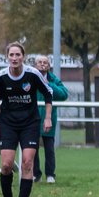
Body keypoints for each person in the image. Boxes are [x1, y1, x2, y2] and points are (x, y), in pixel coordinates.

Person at [0, 42, 54, 197]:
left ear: (23, 57)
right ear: (7, 57)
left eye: (18, 55)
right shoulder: (1, 77)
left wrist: (47, 117)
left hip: (30, 124)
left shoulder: (33, 74)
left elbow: (48, 94)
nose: (15, 58)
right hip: (8, 124)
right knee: (6, 165)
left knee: (27, 163)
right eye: (12, 55)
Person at [31, 55, 68, 184]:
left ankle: (50, 175)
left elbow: (64, 95)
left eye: (45, 62)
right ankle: (36, 174)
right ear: (35, 65)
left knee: (49, 148)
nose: (42, 64)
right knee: (32, 148)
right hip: (32, 119)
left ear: (49, 65)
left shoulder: (53, 79)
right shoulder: (30, 78)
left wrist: (49, 85)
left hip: (49, 119)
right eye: (39, 62)